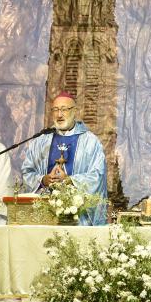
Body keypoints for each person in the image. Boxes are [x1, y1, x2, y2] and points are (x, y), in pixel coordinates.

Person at [21, 92, 108, 225]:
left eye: (64, 109)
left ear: (75, 111)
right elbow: (27, 172)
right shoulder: (41, 141)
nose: (59, 114)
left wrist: (70, 181)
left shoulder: (90, 141)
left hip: (80, 217)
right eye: (55, 110)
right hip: (45, 215)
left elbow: (98, 175)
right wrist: (43, 180)